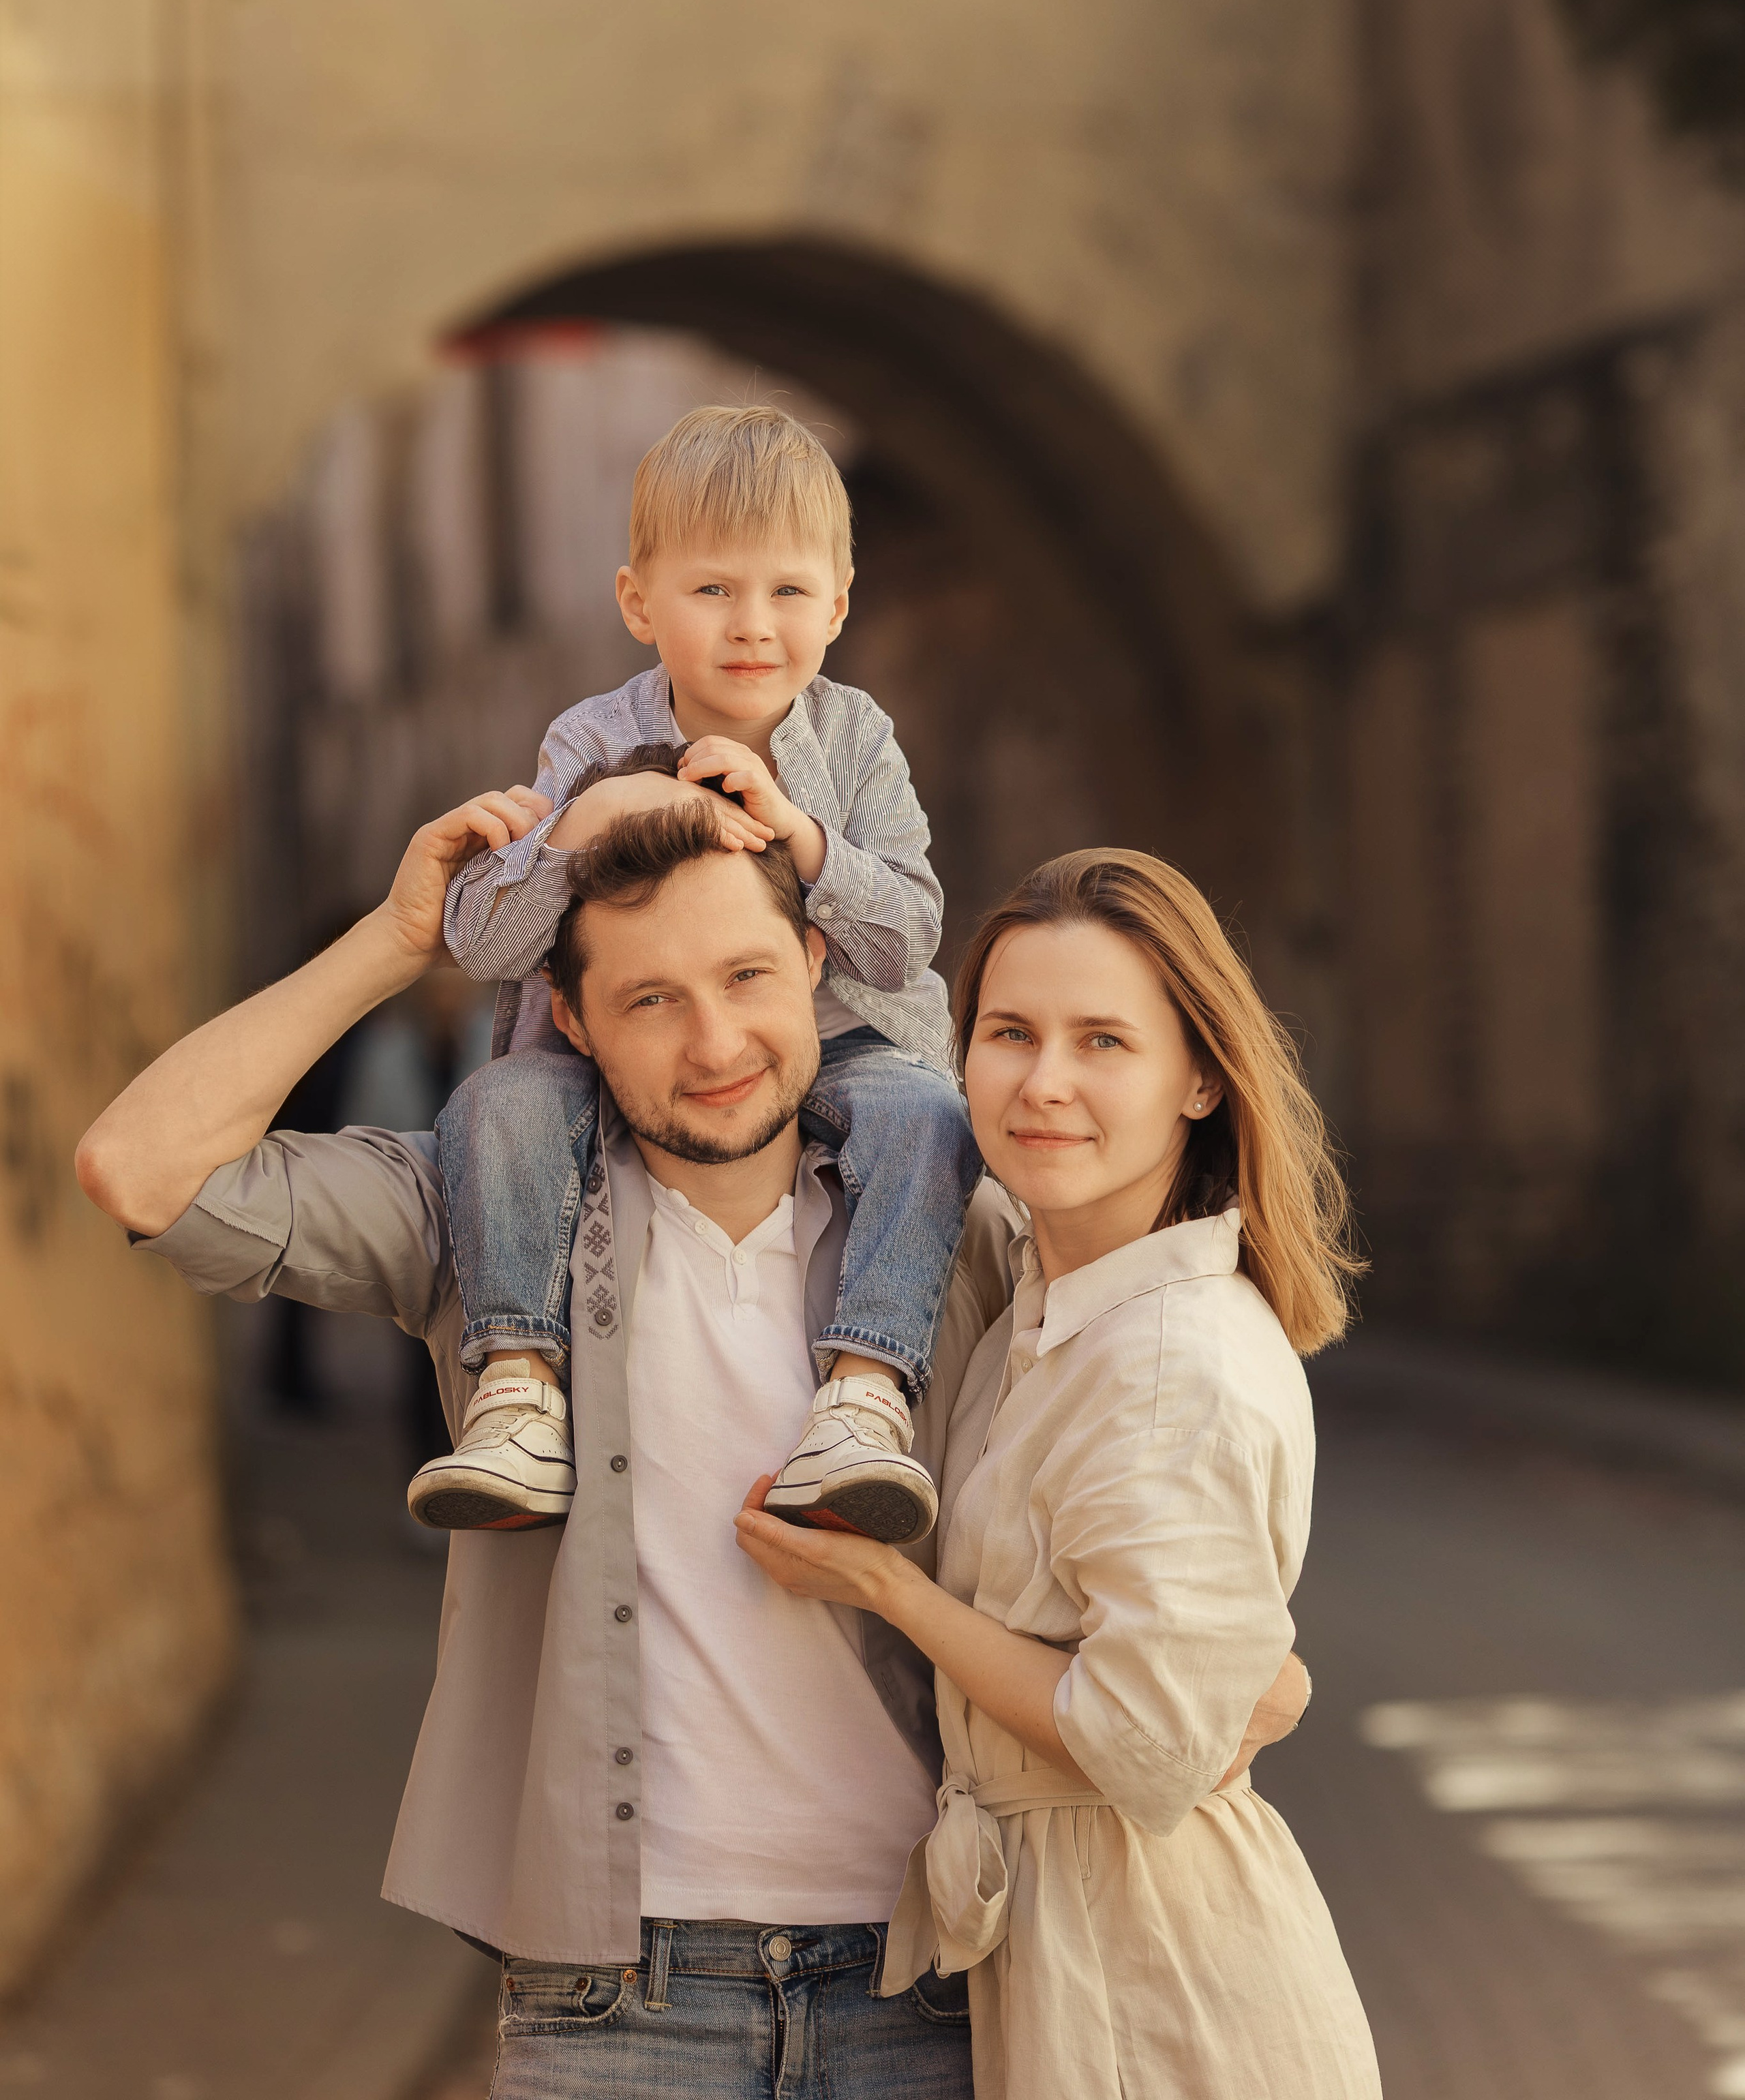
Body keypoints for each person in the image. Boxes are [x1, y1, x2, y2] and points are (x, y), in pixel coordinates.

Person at [75, 786, 1305, 2096]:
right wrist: (395, 942)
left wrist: (1253, 1681)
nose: (714, 1041)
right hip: (614, 2002)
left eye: (747, 976)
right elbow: (140, 1170)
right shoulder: (487, 1221)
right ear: (573, 1020)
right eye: (650, 999)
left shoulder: (962, 1233)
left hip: (934, 1976)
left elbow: (1157, 1545)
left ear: (817, 966)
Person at [736, 847, 1382, 2099]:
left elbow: (1145, 1742)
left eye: (1103, 1043)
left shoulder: (1167, 1363)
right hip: (1070, 1954)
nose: (1044, 1084)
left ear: (1200, 1077)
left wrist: (888, 1591)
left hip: (1164, 1986)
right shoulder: (1041, 1300)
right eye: (1009, 1033)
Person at [419, 401, 984, 1544]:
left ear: (838, 601)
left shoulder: (856, 737)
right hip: (616, 1052)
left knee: (931, 1118)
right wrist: (587, 822)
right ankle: (521, 1388)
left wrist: (804, 838)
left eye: (786, 592)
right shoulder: (586, 739)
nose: (752, 627)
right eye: (712, 590)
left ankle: (868, 1394)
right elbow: (482, 939)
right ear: (641, 603)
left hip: (856, 1039)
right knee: (493, 1108)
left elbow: (909, 934)